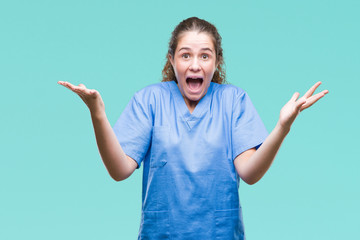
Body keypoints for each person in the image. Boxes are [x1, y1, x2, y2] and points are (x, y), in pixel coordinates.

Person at [58, 17, 328, 240]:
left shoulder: (233, 101)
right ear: (172, 60)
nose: (195, 64)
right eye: (185, 55)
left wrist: (282, 126)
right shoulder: (149, 100)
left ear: (217, 61)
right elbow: (119, 170)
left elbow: (249, 172)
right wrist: (97, 113)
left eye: (205, 56)